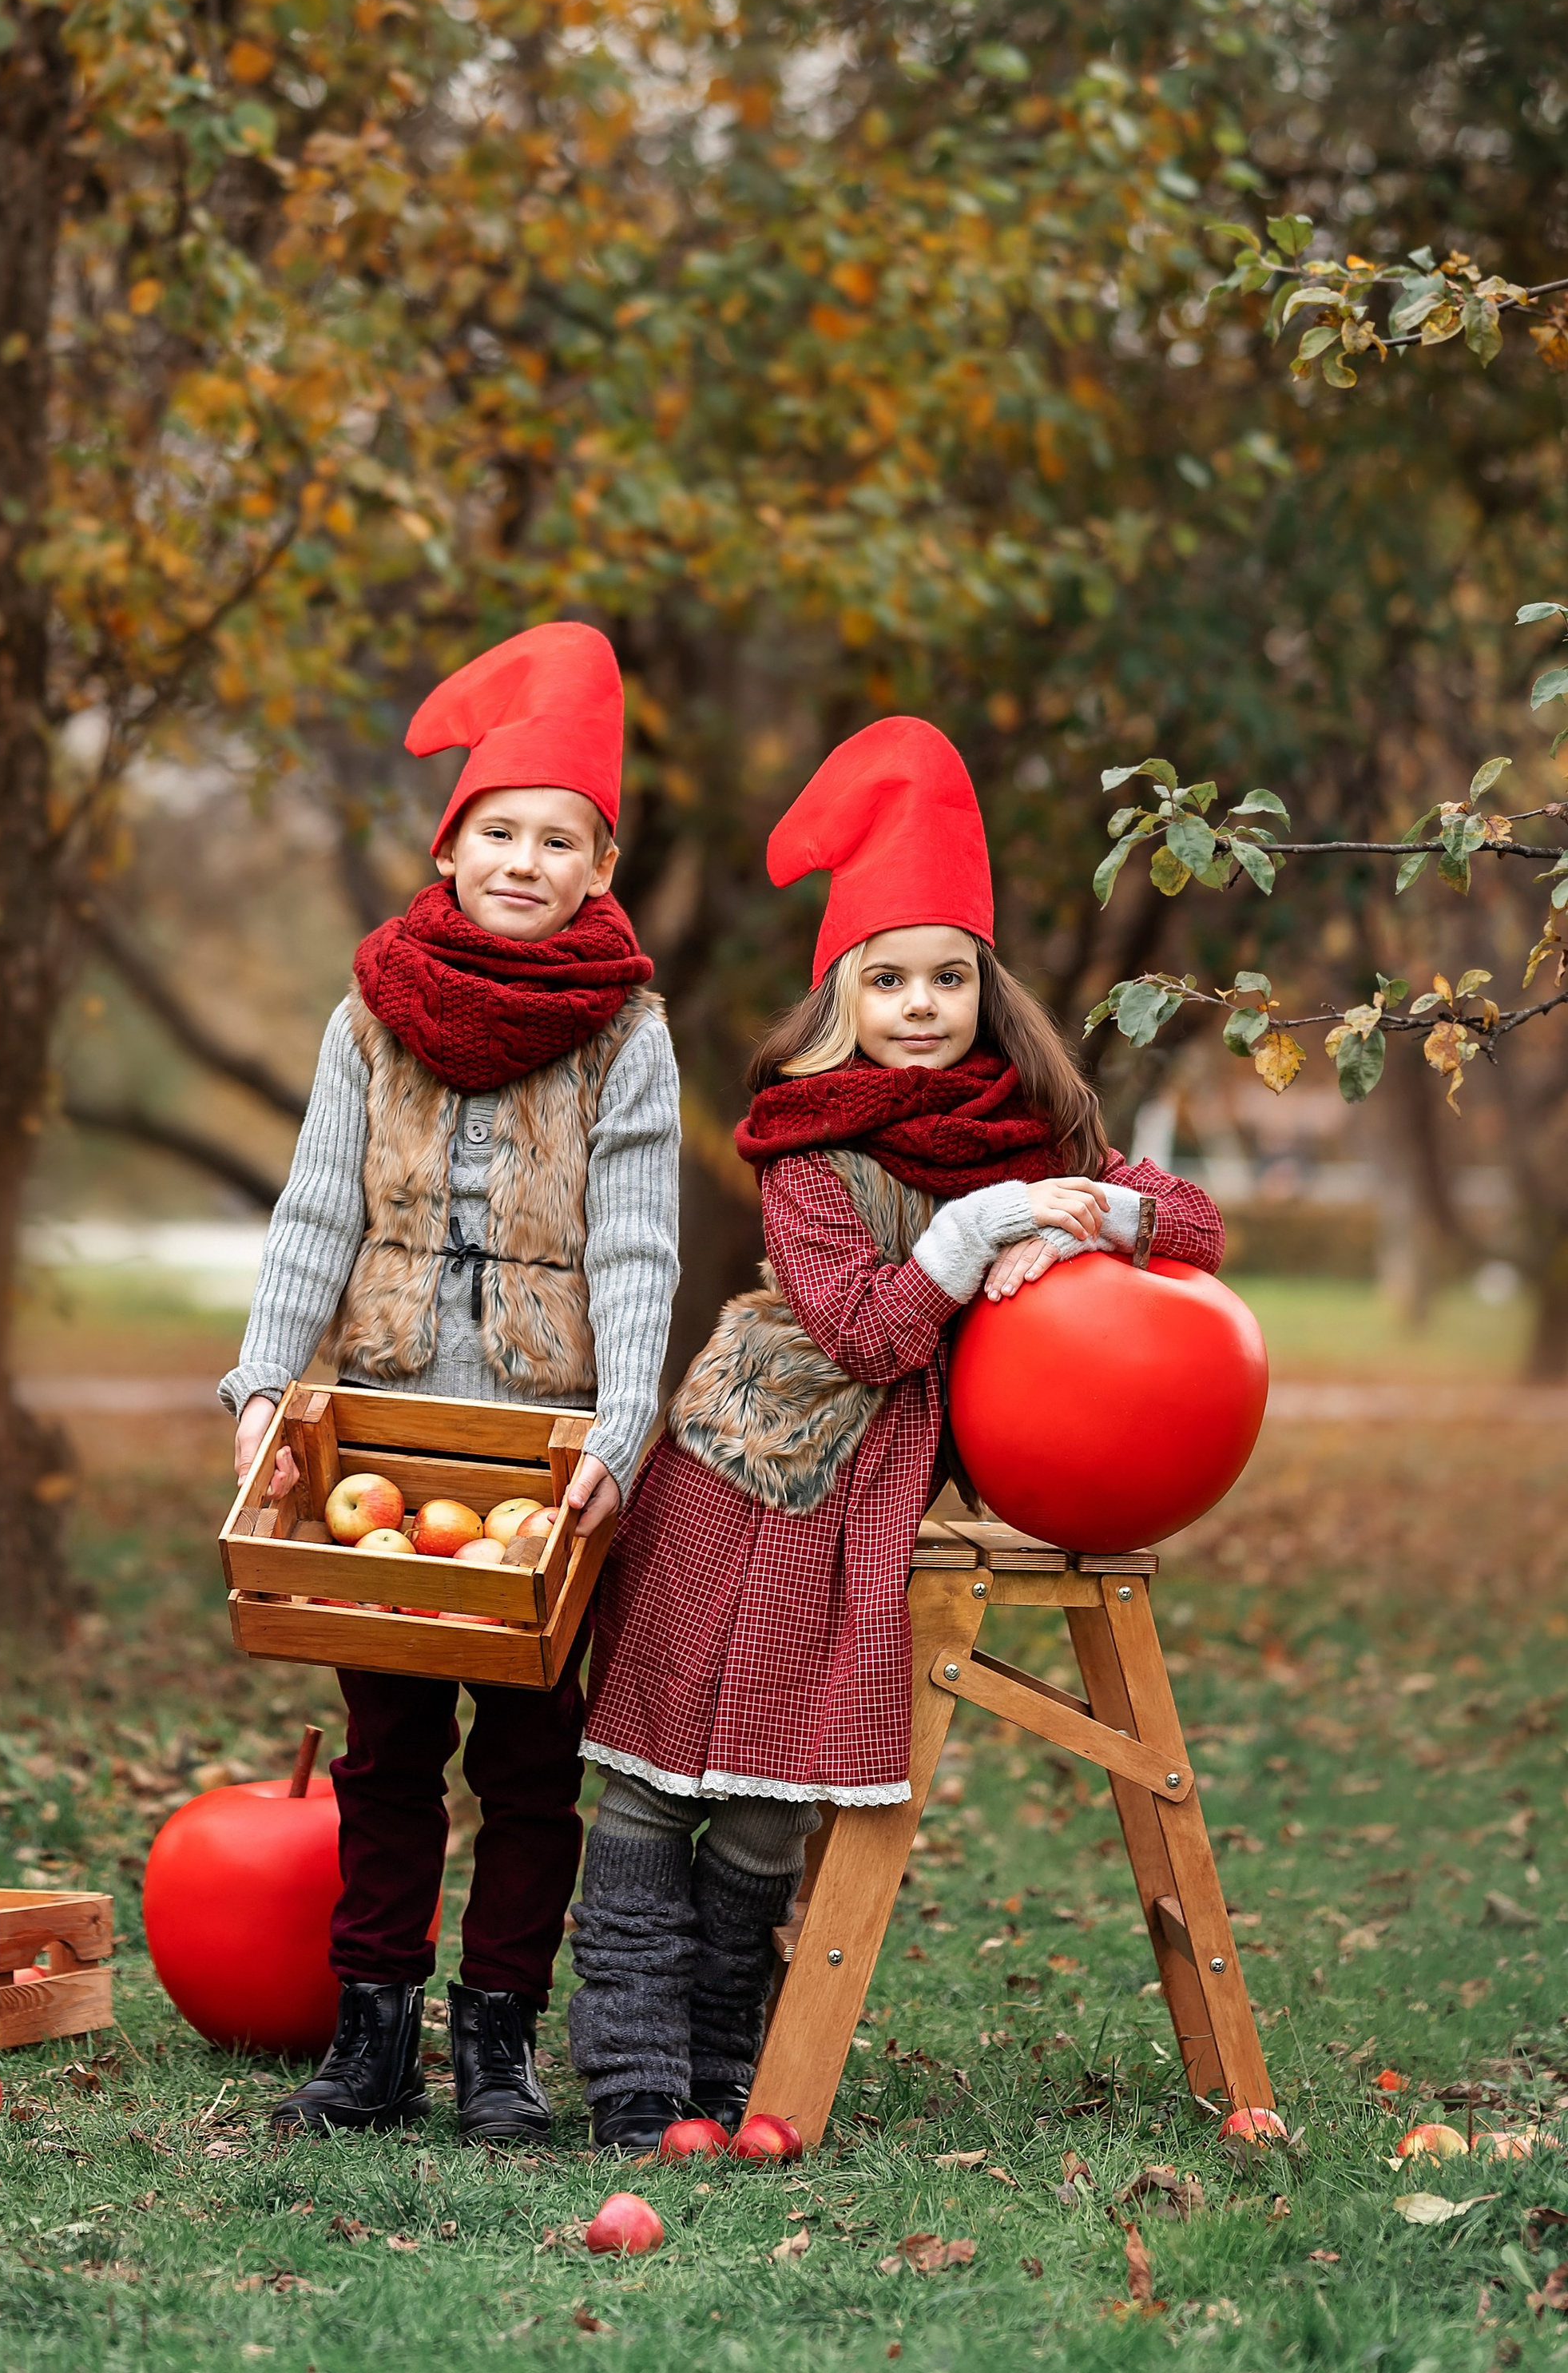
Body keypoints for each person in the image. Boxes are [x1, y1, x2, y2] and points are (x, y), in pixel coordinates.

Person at [568, 716, 1224, 2152]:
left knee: (768, 1805)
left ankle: (724, 2074)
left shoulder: (1034, 1131)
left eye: (946, 979)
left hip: (870, 1516)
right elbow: (866, 1334)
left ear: (986, 994)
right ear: (840, 994)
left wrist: (1098, 1215)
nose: (919, 1007)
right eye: (887, 979)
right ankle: (627, 2082)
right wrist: (983, 1232)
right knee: (652, 1779)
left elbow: (1199, 1225)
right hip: (741, 1484)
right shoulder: (809, 1148)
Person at [218, 621, 681, 2145]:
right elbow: (317, 1213)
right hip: (391, 1433)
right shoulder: (373, 1015)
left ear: (599, 869)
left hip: (548, 1446)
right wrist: (262, 1390)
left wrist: (622, 1427)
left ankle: (500, 2046)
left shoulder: (627, 1034)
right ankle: (371, 2041)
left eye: (560, 839)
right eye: (501, 832)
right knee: (391, 1751)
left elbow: (635, 1248)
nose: (526, 860)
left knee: (536, 1767)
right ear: (453, 846)